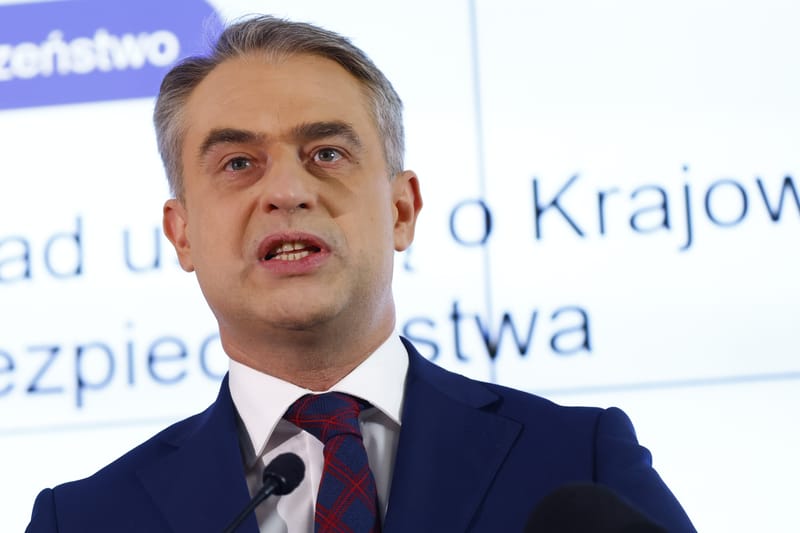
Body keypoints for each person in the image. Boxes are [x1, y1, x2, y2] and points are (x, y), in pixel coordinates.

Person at [26, 15, 695, 533]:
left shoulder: (578, 462)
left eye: (326, 153)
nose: (287, 191)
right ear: (182, 234)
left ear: (402, 210)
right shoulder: (84, 520)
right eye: (238, 164)